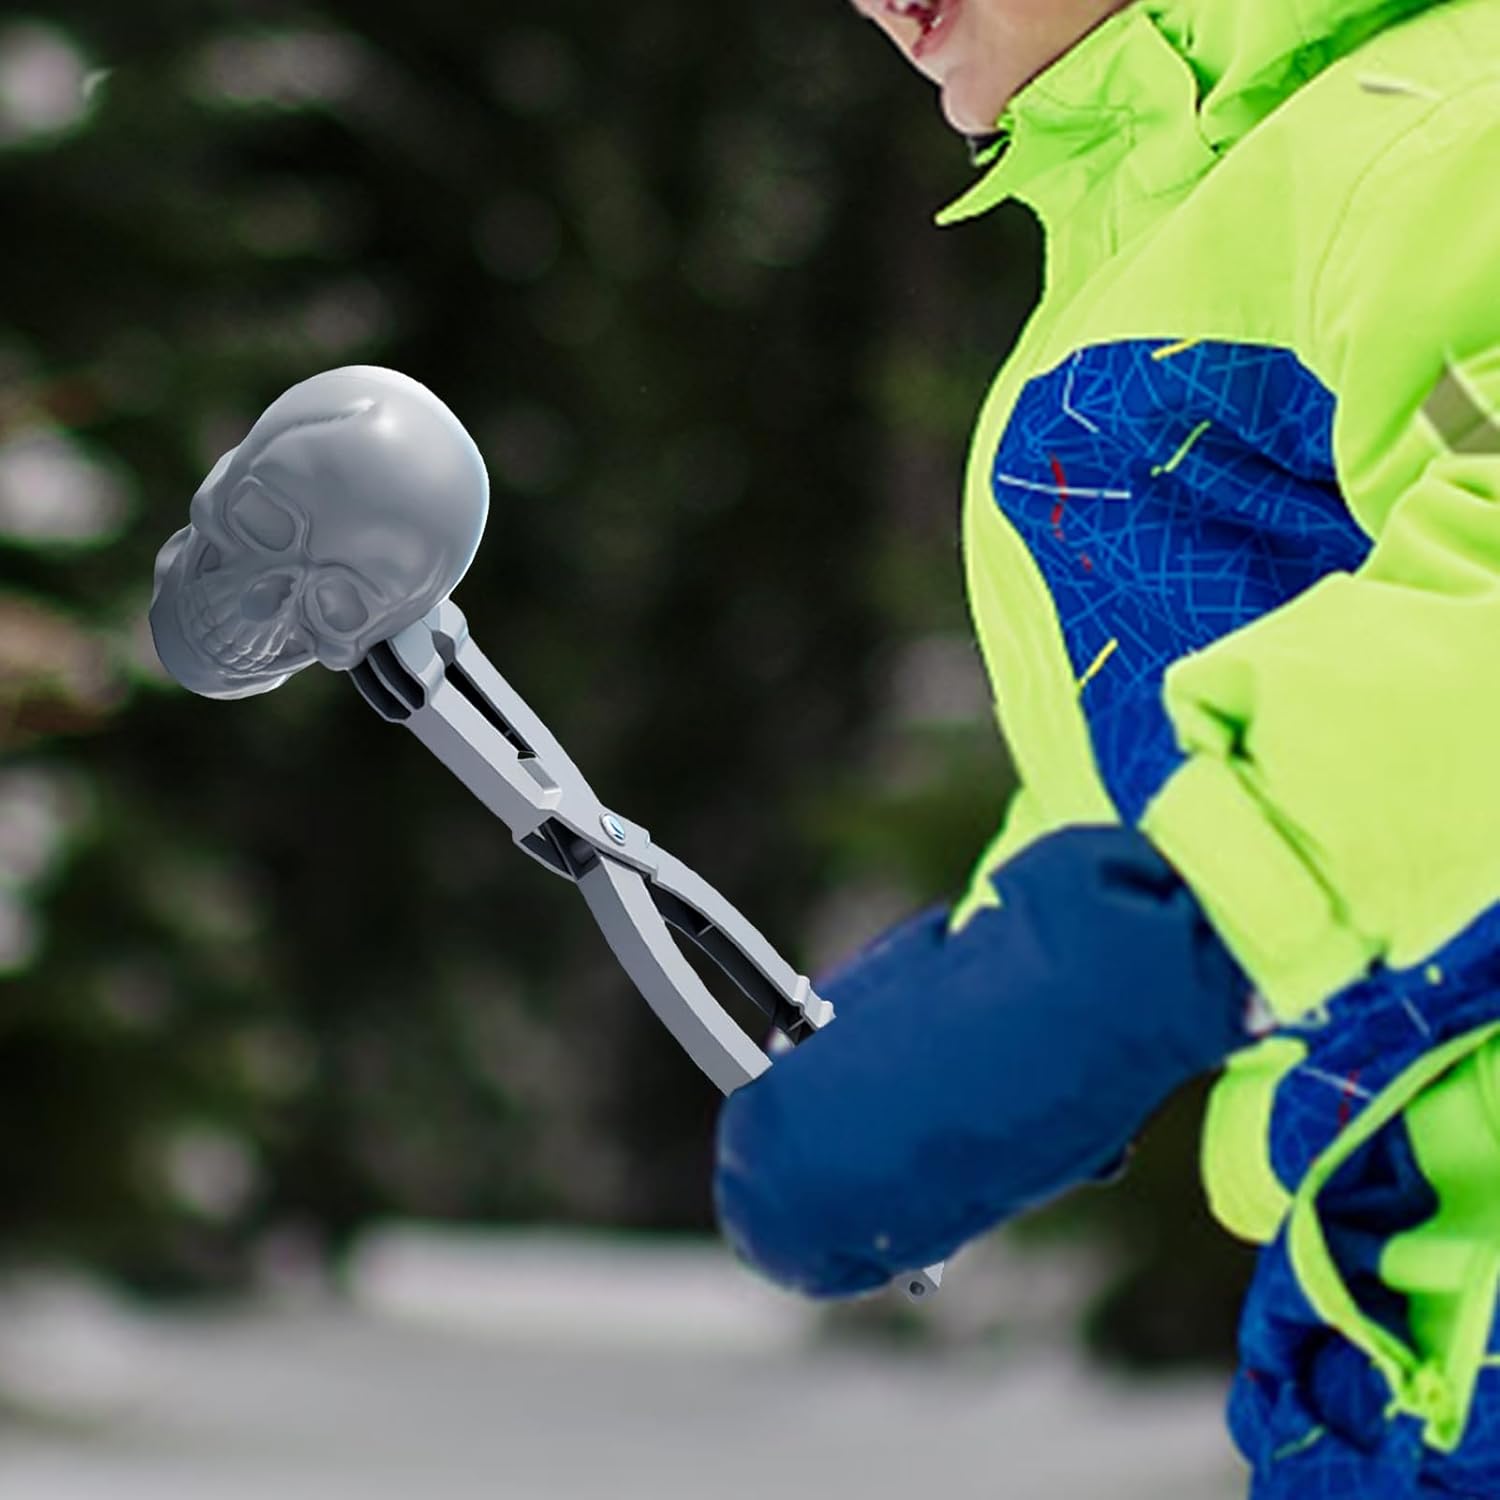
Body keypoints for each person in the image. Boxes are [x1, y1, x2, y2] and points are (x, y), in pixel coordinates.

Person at [711, 1, 1500, 1495]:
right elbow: (1165, 740)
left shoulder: (1449, 125)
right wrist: (987, 984)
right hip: (1388, 1312)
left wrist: (1141, 944)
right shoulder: (1164, 240)